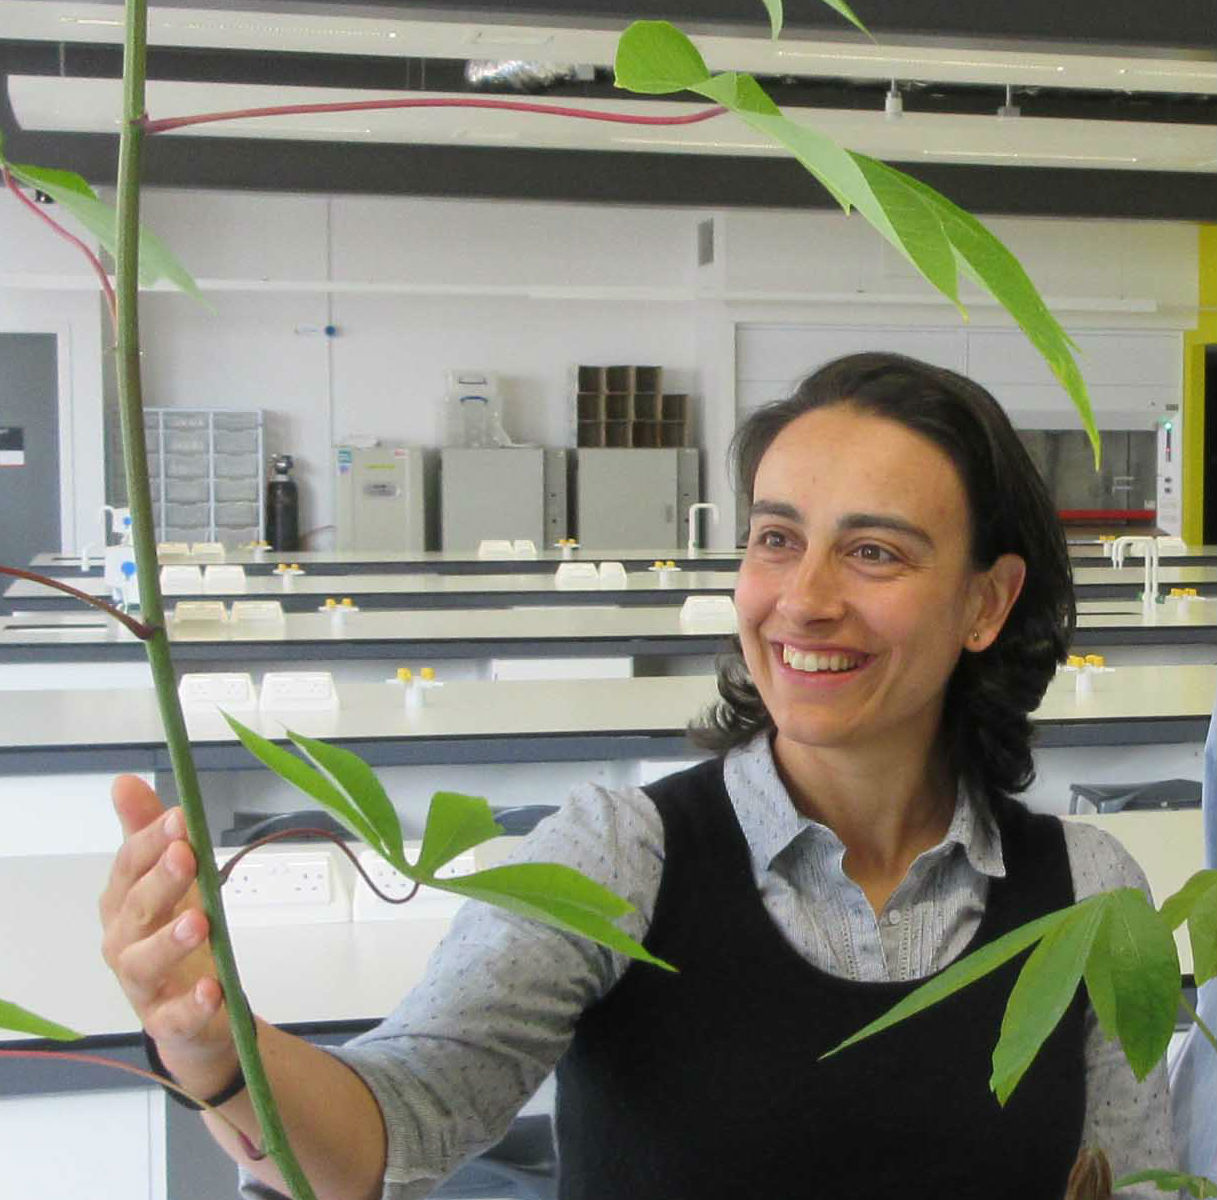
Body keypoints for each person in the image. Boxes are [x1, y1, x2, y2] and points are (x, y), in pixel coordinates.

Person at [100, 352, 1177, 1200]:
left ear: (986, 604)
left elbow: (1137, 1189)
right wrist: (214, 1050)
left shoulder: (1088, 890)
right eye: (773, 539)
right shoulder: (618, 855)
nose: (801, 598)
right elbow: (388, 1130)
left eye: (874, 553)